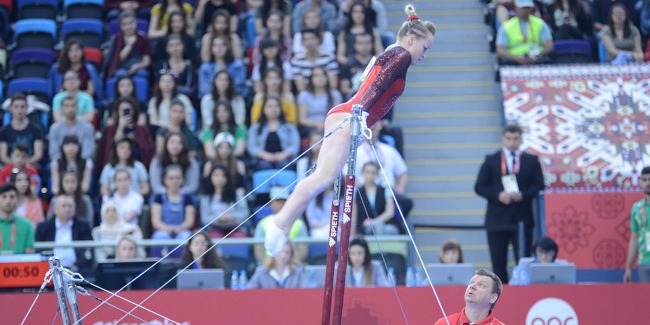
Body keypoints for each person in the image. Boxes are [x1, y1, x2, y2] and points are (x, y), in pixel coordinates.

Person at [265, 4, 435, 256]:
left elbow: (372, 77)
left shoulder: (393, 51)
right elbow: (378, 84)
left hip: (347, 115)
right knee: (322, 177)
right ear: (411, 40)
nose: (424, 53)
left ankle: (282, 223)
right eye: (425, 47)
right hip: (350, 117)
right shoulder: (401, 56)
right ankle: (279, 223)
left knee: (322, 176)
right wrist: (361, 113)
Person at [474, 125, 545, 284]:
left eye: (515, 139)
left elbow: (539, 186)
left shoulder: (531, 161)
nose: (512, 142)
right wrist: (498, 195)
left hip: (521, 218)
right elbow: (479, 186)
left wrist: (522, 195)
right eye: (508, 138)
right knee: (498, 263)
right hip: (497, 219)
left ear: (521, 139)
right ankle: (500, 295)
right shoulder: (491, 160)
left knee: (523, 260)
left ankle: (524, 294)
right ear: (503, 139)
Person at [35, 195, 93, 274]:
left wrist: (75, 267)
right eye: (63, 206)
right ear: (55, 209)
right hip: (50, 271)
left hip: (76, 271)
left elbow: (88, 251)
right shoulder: (43, 227)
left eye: (70, 206)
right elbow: (38, 251)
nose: (67, 209)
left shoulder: (83, 226)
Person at [150, 165, 196, 257]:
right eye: (171, 178)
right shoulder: (158, 198)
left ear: (182, 180)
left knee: (186, 237)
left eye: (177, 178)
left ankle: (184, 264)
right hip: (163, 229)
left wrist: (180, 228)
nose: (174, 181)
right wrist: (167, 228)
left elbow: (189, 221)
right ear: (165, 180)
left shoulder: (188, 199)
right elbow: (156, 221)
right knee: (160, 237)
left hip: (181, 230)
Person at [255, 187, 309, 263]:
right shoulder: (262, 223)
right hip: (268, 268)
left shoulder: (299, 224)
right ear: (271, 203)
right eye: (278, 201)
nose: (281, 204)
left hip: (293, 268)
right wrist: (270, 266)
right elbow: (258, 251)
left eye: (284, 201)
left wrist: (288, 266)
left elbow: (303, 251)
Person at [434, 269, 505, 325]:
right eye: (471, 282)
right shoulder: (443, 323)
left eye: (481, 285)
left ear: (493, 297)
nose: (472, 286)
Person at [496, 0, 554, 66]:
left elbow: (549, 46)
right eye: (523, 8)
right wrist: (515, 58)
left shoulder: (540, 24)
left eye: (528, 8)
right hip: (514, 62)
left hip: (538, 60)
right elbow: (500, 50)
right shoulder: (506, 26)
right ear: (516, 8)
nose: (525, 10)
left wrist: (538, 56)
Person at [199, 164, 249, 238]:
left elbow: (245, 213)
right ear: (210, 177)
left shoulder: (237, 194)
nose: (220, 179)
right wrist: (219, 218)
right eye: (216, 175)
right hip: (214, 229)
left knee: (240, 237)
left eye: (223, 176)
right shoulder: (206, 197)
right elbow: (205, 218)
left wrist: (231, 217)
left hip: (235, 228)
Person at [352, 161, 397, 236]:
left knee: (379, 227)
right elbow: (354, 214)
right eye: (367, 172)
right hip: (365, 228)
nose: (370, 175)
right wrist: (352, 234)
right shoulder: (357, 192)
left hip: (386, 225)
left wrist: (374, 222)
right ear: (363, 173)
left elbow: (390, 212)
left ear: (377, 174)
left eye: (373, 172)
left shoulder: (385, 190)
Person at [0, 94, 44, 166]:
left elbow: (38, 154)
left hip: (30, 165)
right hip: (10, 166)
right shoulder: (3, 131)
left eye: (22, 107)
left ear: (27, 108)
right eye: (16, 107)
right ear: (11, 108)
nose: (19, 110)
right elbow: (3, 156)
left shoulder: (37, 129)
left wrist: (25, 164)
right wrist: (15, 164)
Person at [624, 166, 650, 283]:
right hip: (643, 262)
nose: (648, 183)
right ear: (641, 182)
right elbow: (634, 239)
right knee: (646, 300)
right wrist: (628, 268)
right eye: (645, 180)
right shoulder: (636, 209)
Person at [0, 184, 34, 254]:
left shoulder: (26, 225)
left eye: (12, 197)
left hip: (19, 264)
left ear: (17, 200)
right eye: (4, 197)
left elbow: (29, 254)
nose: (8, 200)